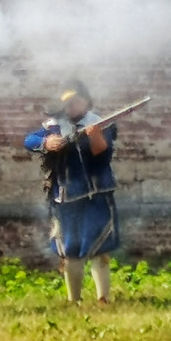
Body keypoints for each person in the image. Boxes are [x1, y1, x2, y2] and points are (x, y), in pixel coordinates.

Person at [24, 80, 119, 304]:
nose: (74, 105)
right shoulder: (54, 127)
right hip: (65, 196)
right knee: (70, 250)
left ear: (86, 101)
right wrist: (47, 142)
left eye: (78, 100)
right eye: (70, 102)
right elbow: (29, 140)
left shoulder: (100, 124)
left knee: (99, 247)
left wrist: (94, 135)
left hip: (96, 195)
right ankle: (73, 300)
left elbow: (102, 155)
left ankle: (102, 299)